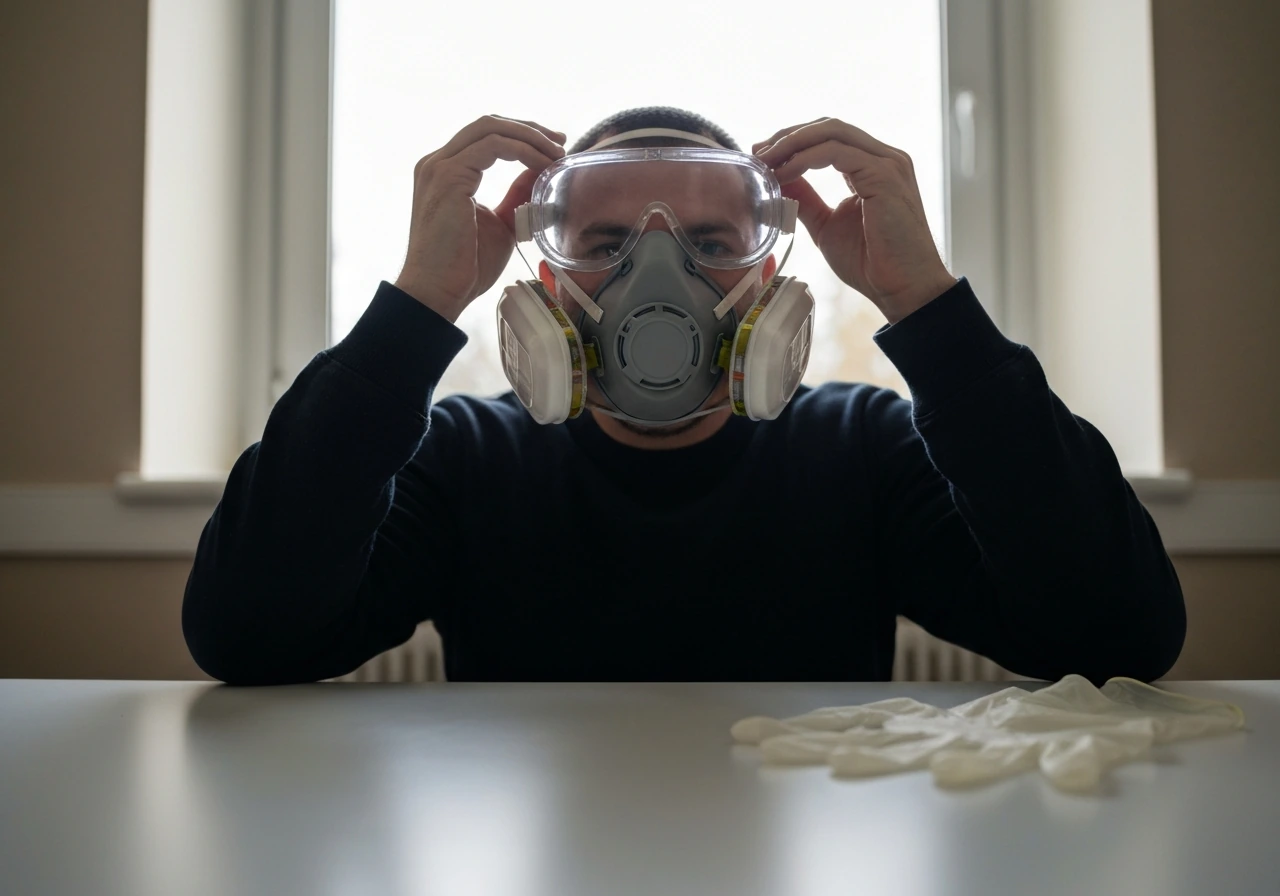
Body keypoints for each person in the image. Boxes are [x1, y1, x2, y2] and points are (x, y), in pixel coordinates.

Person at [182, 107, 1186, 685]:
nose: (654, 277)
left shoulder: (860, 448)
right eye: (606, 246)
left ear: (769, 274)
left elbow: (1116, 634)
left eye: (708, 244)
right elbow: (245, 633)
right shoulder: (466, 458)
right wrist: (414, 306)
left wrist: (924, 303)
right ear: (541, 279)